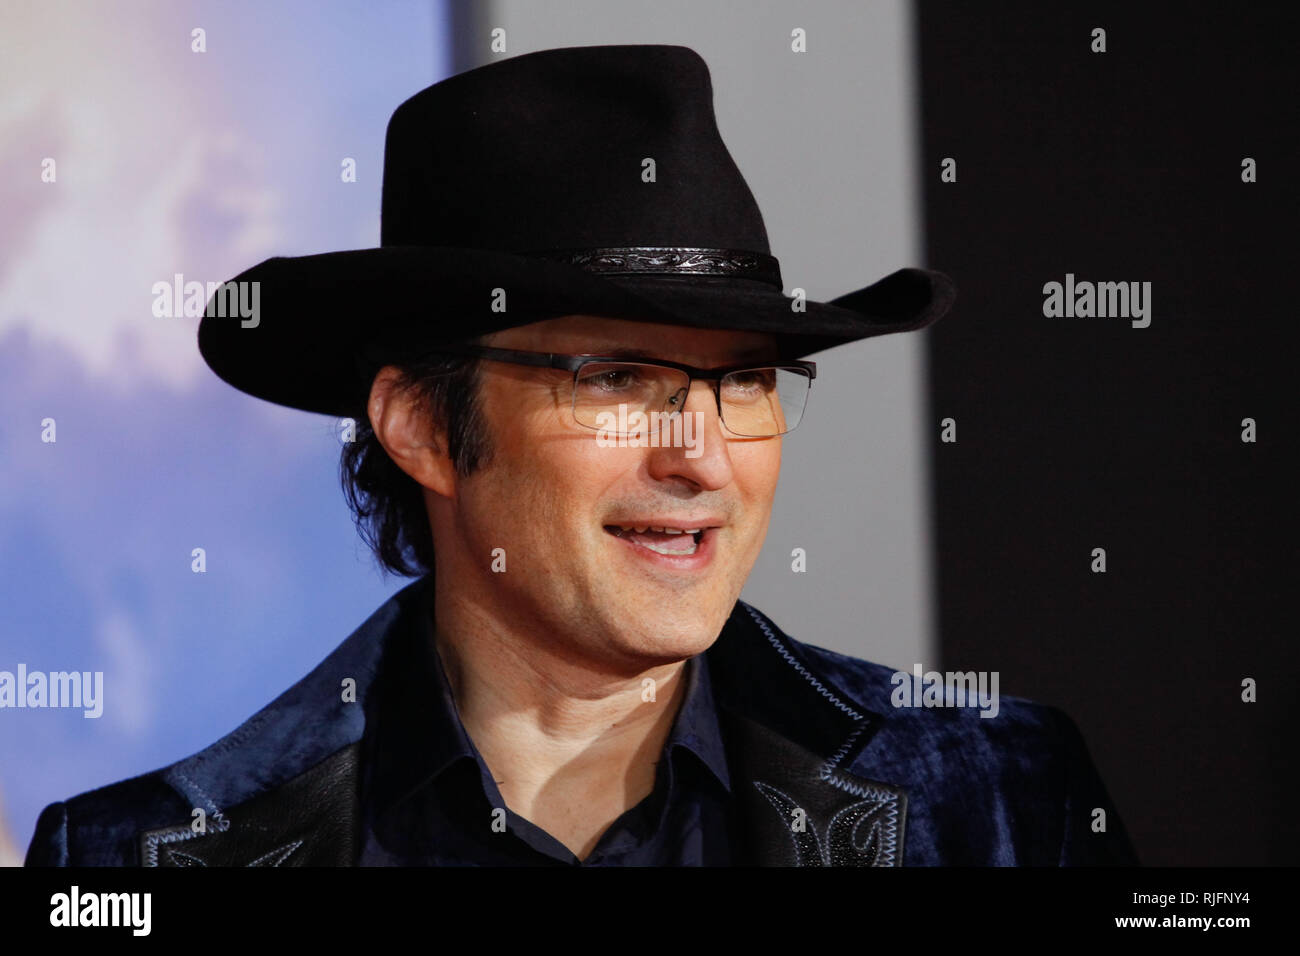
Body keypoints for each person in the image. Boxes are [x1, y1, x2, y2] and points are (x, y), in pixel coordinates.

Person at [25, 44, 1136, 866]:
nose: (701, 455)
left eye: (743, 377)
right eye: (614, 378)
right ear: (418, 424)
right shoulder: (141, 861)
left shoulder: (998, 800)